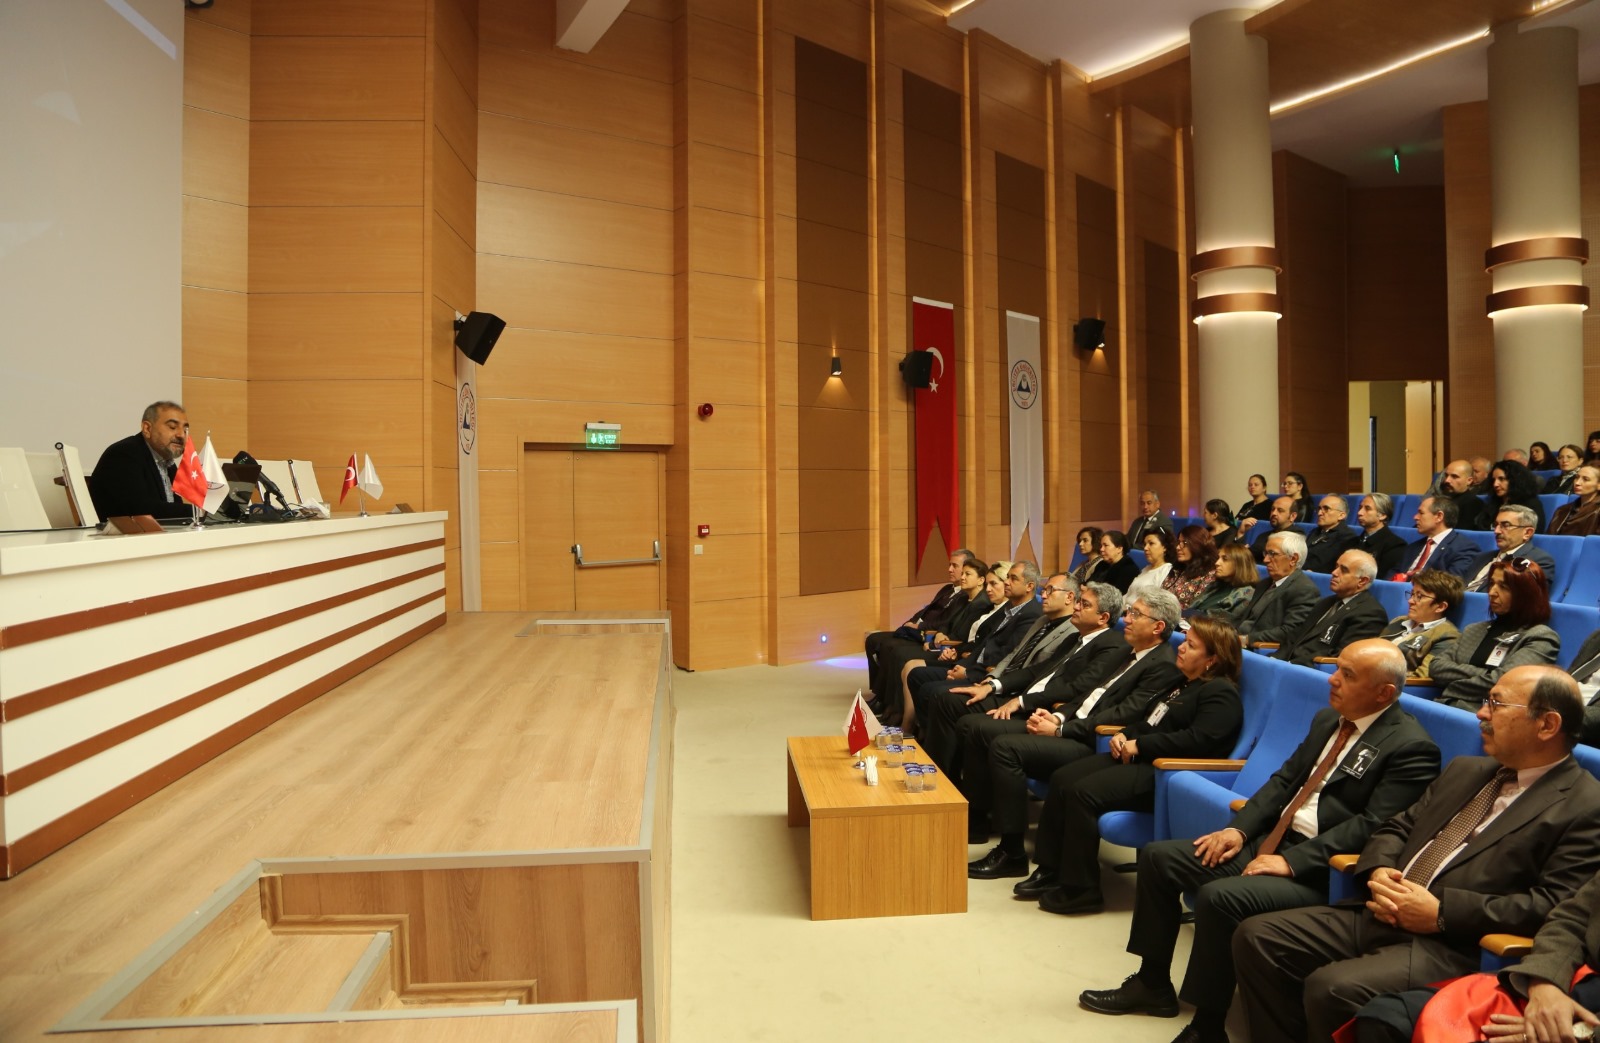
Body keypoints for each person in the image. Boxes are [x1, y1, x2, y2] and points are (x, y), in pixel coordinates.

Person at [1076, 640, 1439, 1043]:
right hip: (1273, 839)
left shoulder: (1411, 747)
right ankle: (1152, 983)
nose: (1332, 680)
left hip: (1321, 870)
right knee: (1160, 860)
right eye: (1337, 668)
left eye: (1348, 675)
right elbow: (1283, 781)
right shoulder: (1329, 720)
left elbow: (1373, 826)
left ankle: (1206, 1027)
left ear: (1383, 693)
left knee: (1220, 898)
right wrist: (1240, 829)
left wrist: (1293, 862)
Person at [1233, 667, 1600, 1043]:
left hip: (1452, 943)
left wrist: (1440, 913)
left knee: (1332, 988)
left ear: (1547, 725)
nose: (1481, 713)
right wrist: (1378, 870)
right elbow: (1396, 827)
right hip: (1379, 910)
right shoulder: (1467, 769)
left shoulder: (1586, 805)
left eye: (1496, 703)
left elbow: (1552, 905)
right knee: (1258, 937)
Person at [1022, 615, 1246, 916]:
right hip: (1142, 757)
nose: (1180, 648)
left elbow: (1198, 741)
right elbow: (1149, 720)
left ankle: (1081, 889)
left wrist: (1141, 745)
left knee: (1082, 792)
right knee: (1063, 777)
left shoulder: (1220, 693)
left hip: (1170, 773)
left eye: (1191, 646)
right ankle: (1051, 868)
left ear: (1212, 659)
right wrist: (1125, 734)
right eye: (1184, 641)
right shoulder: (1182, 683)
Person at [962, 586, 1175, 860]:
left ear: (1157, 627)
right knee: (988, 734)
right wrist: (1058, 715)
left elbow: (1122, 714)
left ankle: (1010, 851)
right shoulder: (1129, 652)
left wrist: (1060, 729)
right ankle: (997, 834)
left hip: (1091, 739)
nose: (1127, 619)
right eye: (1129, 612)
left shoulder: (1162, 664)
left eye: (1136, 614)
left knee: (1005, 747)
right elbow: (1086, 693)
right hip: (1072, 724)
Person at [925, 581, 1129, 780]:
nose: (1076, 607)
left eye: (1084, 604)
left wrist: (1021, 702)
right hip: (1026, 699)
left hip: (1043, 710)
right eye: (1079, 602)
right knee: (950, 702)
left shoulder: (1111, 645)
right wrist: (991, 686)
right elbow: (1035, 672)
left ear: (1103, 617)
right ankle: (947, 781)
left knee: (974, 726)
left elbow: (1077, 688)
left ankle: (961, 793)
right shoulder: (1074, 639)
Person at [1368, 868, 1600, 1043]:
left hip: (1586, 1023)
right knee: (1385, 1016)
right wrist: (1544, 983)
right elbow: (1574, 918)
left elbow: (1544, 903)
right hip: (1565, 975)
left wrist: (1581, 1031)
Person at [900, 568, 1072, 737]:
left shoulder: (1045, 619)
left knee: (942, 696)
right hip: (992, 675)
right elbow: (1007, 652)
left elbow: (1033, 669)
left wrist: (982, 677)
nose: (1044, 595)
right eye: (1044, 590)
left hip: (1016, 691)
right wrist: (988, 677)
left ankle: (927, 745)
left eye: (1012, 579)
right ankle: (921, 736)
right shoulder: (1037, 619)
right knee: (920, 677)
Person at [1430, 558, 1559, 711]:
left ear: (1526, 594)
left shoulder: (1540, 637)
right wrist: (1487, 674)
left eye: (1503, 587)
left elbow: (1505, 684)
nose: (1492, 593)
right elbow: (1436, 666)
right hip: (1445, 706)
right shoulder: (1474, 630)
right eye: (1492, 584)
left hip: (1486, 715)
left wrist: (1452, 685)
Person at [868, 557, 991, 718]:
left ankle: (897, 711)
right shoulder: (963, 597)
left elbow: (964, 637)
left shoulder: (981, 604)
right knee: (889, 648)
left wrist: (936, 644)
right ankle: (889, 704)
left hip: (951, 650)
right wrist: (940, 633)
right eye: (963, 573)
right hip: (942, 642)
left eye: (967, 574)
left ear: (981, 580)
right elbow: (947, 622)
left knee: (901, 655)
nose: (962, 577)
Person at [863, 549, 975, 697]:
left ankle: (887, 699)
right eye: (949, 565)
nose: (949, 569)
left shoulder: (965, 596)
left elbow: (946, 622)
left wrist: (919, 626)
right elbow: (927, 610)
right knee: (873, 639)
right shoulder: (947, 589)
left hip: (928, 634)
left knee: (893, 649)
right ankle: (878, 692)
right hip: (918, 629)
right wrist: (912, 621)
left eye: (955, 566)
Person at [1272, 549, 1389, 667]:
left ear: (1362, 581)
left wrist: (1291, 664)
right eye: (1336, 567)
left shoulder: (1370, 613)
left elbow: (1342, 655)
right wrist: (1275, 659)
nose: (1334, 572)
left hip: (1313, 670)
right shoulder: (1325, 602)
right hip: (1289, 665)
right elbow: (1294, 637)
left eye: (1344, 570)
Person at [87, 401, 194, 521]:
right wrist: (198, 512)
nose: (181, 435)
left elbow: (174, 512)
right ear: (147, 429)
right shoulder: (124, 453)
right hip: (113, 532)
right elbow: (140, 510)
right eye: (172, 427)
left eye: (185, 429)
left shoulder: (168, 464)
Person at [1236, 530, 1321, 649]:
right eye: (1266, 553)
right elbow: (1244, 618)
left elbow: (1289, 632)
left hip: (1258, 649)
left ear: (1293, 559)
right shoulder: (1265, 583)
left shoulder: (1304, 589)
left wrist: (1247, 639)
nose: (1265, 560)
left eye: (1272, 554)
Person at [1379, 568, 1464, 676]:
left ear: (1440, 607)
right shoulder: (1400, 620)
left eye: (1420, 596)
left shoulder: (1448, 636)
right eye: (1412, 594)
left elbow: (1421, 677)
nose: (1410, 601)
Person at [1461, 505, 1556, 593]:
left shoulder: (1538, 561)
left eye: (1505, 525)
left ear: (1527, 533)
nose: (1496, 531)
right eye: (1495, 525)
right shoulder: (1481, 557)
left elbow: (1528, 598)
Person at [1394, 495, 1476, 581]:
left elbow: (1451, 582)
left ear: (1439, 516)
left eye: (1421, 513)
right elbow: (1394, 572)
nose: (1415, 517)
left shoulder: (1463, 548)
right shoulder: (1413, 546)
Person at [1186, 542, 1259, 622]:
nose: (1217, 563)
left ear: (1240, 564)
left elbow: (1224, 624)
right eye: (1218, 558)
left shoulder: (1247, 594)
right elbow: (1192, 609)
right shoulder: (1215, 586)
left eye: (1225, 559)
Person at [1352, 493, 1407, 578]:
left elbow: (1383, 578)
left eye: (1367, 509)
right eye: (1360, 508)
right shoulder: (1351, 542)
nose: (1359, 513)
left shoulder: (1395, 545)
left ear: (1382, 515)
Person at [1163, 526, 1218, 609]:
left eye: (1184, 543)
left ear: (1198, 545)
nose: (1178, 547)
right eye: (1178, 542)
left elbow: (1196, 607)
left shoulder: (1210, 574)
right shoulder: (1178, 568)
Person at [1486, 459, 1547, 533]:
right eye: (1493, 480)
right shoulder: (1494, 502)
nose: (1495, 484)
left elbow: (1535, 531)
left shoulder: (1530, 504)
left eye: (1501, 479)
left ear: (1515, 480)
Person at [1304, 495, 1360, 573]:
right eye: (1319, 508)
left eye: (1326, 509)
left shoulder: (1347, 537)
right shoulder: (1315, 531)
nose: (1319, 513)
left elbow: (1329, 565)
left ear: (1341, 515)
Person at [1548, 463, 1600, 537]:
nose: (1577, 483)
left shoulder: (1598, 510)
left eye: (1585, 479)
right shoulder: (1562, 510)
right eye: (1576, 477)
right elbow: (1549, 538)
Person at [1437, 459, 1490, 531]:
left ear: (1469, 481)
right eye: (1446, 475)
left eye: (1454, 477)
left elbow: (1462, 533)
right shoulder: (1441, 499)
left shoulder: (1472, 503)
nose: (1447, 480)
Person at [1130, 529, 1176, 600]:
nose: (1145, 548)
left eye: (1151, 543)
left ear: (1165, 547)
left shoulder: (1166, 570)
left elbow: (1158, 601)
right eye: (1145, 544)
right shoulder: (1146, 569)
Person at [1250, 495, 1299, 563]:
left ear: (1292, 516)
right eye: (1272, 509)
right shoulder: (1263, 535)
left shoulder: (1297, 537)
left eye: (1280, 510)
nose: (1274, 513)